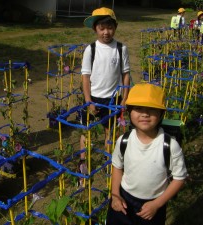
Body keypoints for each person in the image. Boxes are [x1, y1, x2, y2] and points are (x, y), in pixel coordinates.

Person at [107, 83, 187, 225]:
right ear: (129, 112)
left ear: (161, 114)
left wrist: (157, 204)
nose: (145, 114)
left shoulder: (169, 146)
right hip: (124, 200)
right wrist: (115, 195)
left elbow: (179, 179)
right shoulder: (124, 141)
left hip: (154, 204)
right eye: (138, 108)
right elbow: (117, 167)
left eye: (151, 109)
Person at [77, 7, 130, 186]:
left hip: (112, 99)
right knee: (86, 131)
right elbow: (85, 77)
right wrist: (88, 101)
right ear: (95, 29)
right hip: (93, 98)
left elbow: (126, 75)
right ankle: (82, 163)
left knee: (110, 131)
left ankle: (109, 163)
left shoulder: (121, 49)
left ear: (115, 27)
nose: (106, 32)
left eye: (109, 27)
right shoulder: (90, 50)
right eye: (102, 28)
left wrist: (124, 98)